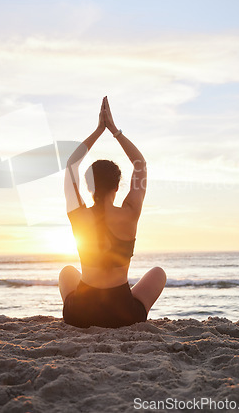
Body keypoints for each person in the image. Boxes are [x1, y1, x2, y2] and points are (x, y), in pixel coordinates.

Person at [59, 96, 166, 328]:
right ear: (118, 186)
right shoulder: (130, 212)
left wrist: (98, 130)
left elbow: (71, 165)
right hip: (124, 315)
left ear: (88, 187)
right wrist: (114, 131)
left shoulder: (78, 214)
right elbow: (140, 163)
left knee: (67, 272)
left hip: (80, 314)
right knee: (158, 273)